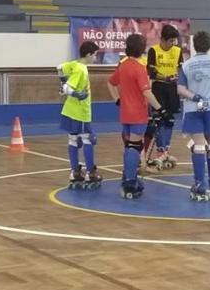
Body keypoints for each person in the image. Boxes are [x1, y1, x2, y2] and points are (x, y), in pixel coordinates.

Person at [108, 34, 170, 199]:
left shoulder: (123, 66)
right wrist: (161, 109)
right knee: (134, 147)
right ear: (141, 49)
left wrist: (117, 99)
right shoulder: (139, 68)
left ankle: (128, 176)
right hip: (137, 113)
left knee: (130, 145)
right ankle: (130, 182)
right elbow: (147, 92)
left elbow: (111, 83)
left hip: (125, 113)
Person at [177, 31, 210, 201]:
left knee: (199, 145)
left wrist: (194, 96)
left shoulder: (186, 65)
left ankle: (200, 184)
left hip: (194, 107)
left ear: (194, 45)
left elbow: (180, 89)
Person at [57, 41, 101, 189]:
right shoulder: (82, 69)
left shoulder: (73, 64)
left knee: (73, 140)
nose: (95, 58)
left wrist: (62, 84)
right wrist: (75, 93)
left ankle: (75, 171)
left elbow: (60, 68)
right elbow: (68, 88)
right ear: (88, 54)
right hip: (81, 111)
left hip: (69, 110)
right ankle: (90, 172)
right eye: (95, 55)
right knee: (88, 138)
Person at [144, 24, 184, 169]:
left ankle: (166, 150)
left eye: (174, 41)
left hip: (172, 88)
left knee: (170, 120)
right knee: (160, 119)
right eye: (170, 41)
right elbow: (151, 72)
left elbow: (180, 69)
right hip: (159, 88)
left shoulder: (177, 51)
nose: (173, 43)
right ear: (162, 39)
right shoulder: (154, 51)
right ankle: (160, 152)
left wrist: (177, 78)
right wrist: (165, 77)